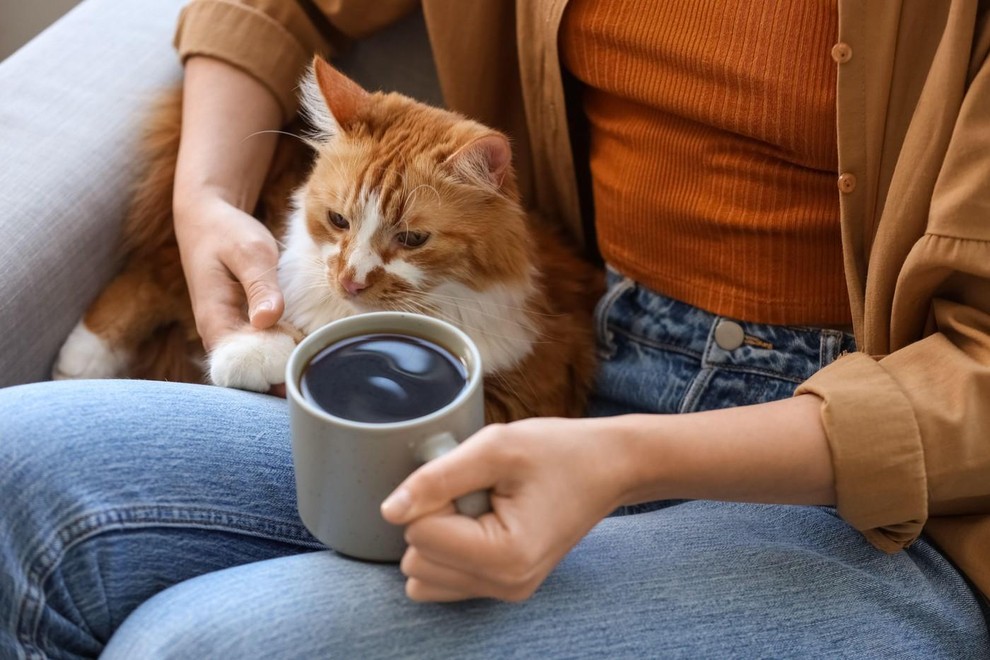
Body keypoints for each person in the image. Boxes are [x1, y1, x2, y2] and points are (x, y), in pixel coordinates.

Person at [2, 0, 989, 657]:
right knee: (15, 466)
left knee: (199, 643)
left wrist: (625, 460)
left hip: (866, 496)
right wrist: (208, 196)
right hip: (568, 356)